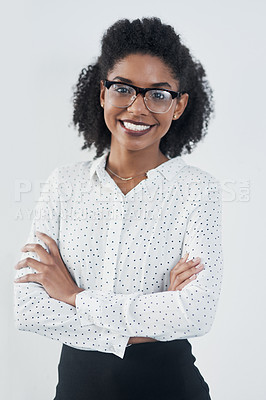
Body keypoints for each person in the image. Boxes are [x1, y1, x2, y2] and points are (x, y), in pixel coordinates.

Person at [14, 17, 223, 400]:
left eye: (158, 94)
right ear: (102, 93)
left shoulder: (197, 190)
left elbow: (195, 314)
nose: (137, 107)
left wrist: (74, 296)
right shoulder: (65, 184)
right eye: (123, 88)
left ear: (178, 106)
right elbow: (30, 310)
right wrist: (157, 313)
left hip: (170, 389)